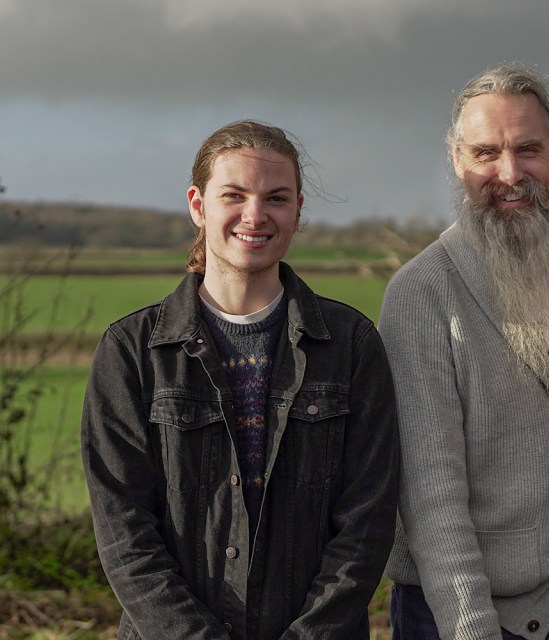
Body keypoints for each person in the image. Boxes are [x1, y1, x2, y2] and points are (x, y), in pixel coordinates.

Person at [81, 120, 399, 639]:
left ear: (298, 210)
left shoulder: (352, 345)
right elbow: (124, 533)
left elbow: (367, 521)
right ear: (198, 205)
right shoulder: (131, 350)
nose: (255, 215)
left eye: (276, 198)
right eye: (234, 194)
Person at [378, 63, 549, 639]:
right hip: (454, 614)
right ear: (457, 160)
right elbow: (429, 493)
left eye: (528, 149)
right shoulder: (422, 292)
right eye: (486, 153)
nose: (509, 173)